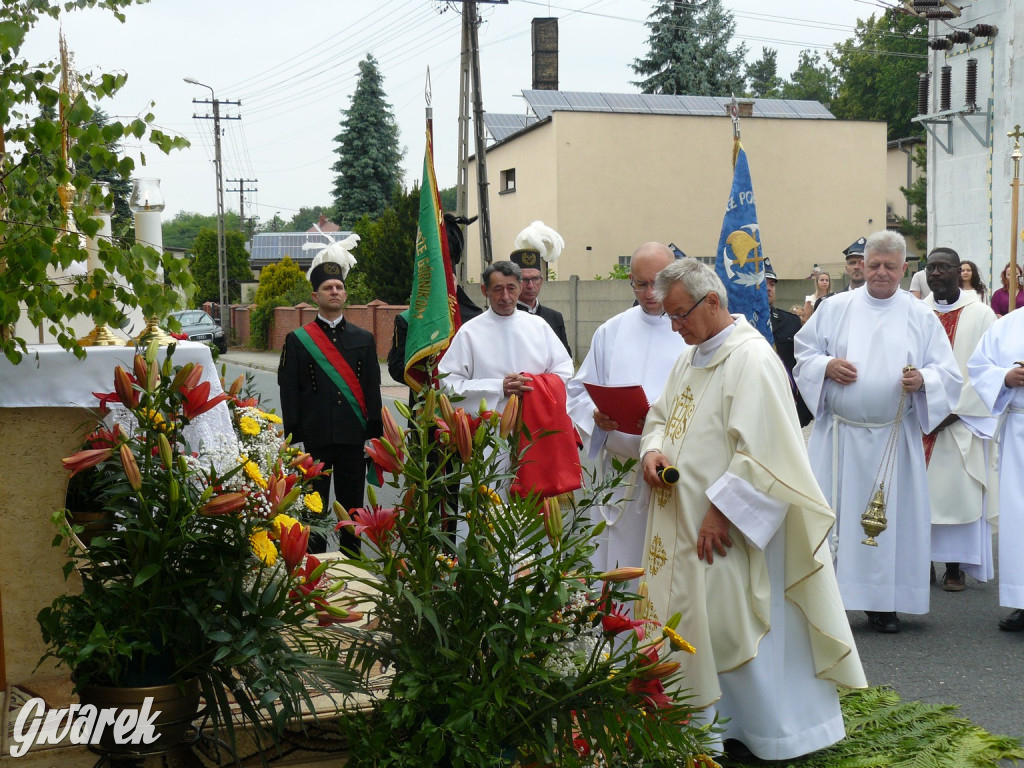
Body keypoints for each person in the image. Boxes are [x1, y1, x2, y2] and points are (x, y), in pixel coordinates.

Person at [639, 258, 865, 761]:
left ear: (713, 302)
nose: (674, 327)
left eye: (680, 315)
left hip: (724, 527)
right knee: (693, 620)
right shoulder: (691, 356)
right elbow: (659, 416)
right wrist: (652, 450)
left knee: (731, 621)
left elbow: (766, 452)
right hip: (678, 524)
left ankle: (764, 731)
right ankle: (699, 727)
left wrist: (724, 510)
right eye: (670, 318)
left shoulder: (752, 359)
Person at [794, 230, 962, 634]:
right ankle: (827, 605)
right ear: (861, 266)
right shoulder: (835, 307)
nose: (881, 273)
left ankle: (884, 603)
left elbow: (948, 373)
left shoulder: (920, 315)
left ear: (905, 269)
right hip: (840, 440)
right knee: (834, 521)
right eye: (874, 265)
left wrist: (923, 379)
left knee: (887, 526)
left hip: (893, 440)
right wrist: (826, 367)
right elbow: (804, 354)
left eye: (890, 266)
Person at [566, 242, 686, 574]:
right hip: (620, 474)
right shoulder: (612, 330)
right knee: (619, 563)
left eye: (658, 282)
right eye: (641, 283)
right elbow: (578, 391)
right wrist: (595, 415)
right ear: (630, 281)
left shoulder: (691, 329)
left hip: (672, 471)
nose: (650, 293)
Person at [278, 253, 383, 553]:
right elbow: (289, 391)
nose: (334, 291)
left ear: (345, 293)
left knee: (352, 509)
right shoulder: (297, 340)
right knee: (315, 509)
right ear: (315, 296)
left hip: (353, 438)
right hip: (316, 438)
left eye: (339, 286)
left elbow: (372, 389)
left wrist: (374, 436)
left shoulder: (363, 338)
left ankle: (352, 564)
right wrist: (294, 439)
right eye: (328, 288)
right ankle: (315, 567)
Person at [920, 247, 996, 591]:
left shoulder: (981, 315)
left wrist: (952, 411)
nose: (936, 273)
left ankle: (954, 567)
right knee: (918, 497)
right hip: (919, 416)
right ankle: (920, 563)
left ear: (958, 271)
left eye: (943, 267)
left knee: (956, 497)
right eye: (931, 267)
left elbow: (987, 370)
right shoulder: (917, 312)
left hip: (960, 420)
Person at [438, 260, 573, 414]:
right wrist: (498, 387)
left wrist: (533, 384)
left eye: (511, 288)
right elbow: (449, 383)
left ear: (520, 288)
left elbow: (564, 370)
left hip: (535, 419)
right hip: (490, 428)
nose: (505, 296)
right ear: (485, 291)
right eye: (498, 289)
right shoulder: (469, 332)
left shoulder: (539, 326)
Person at [966, 310, 1024, 630]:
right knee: (1020, 518)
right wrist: (1005, 377)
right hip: (1019, 431)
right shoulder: (1008, 325)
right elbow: (978, 365)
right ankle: (1022, 601)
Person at [509, 221, 571, 355]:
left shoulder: (554, 317)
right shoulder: (505, 316)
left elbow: (565, 357)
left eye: (535, 279)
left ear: (541, 281)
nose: (530, 285)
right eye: (525, 279)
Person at [767, 266, 813, 426]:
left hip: (786, 406)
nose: (768, 288)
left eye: (772, 284)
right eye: (763, 283)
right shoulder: (740, 322)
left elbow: (803, 364)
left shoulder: (791, 322)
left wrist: (803, 411)